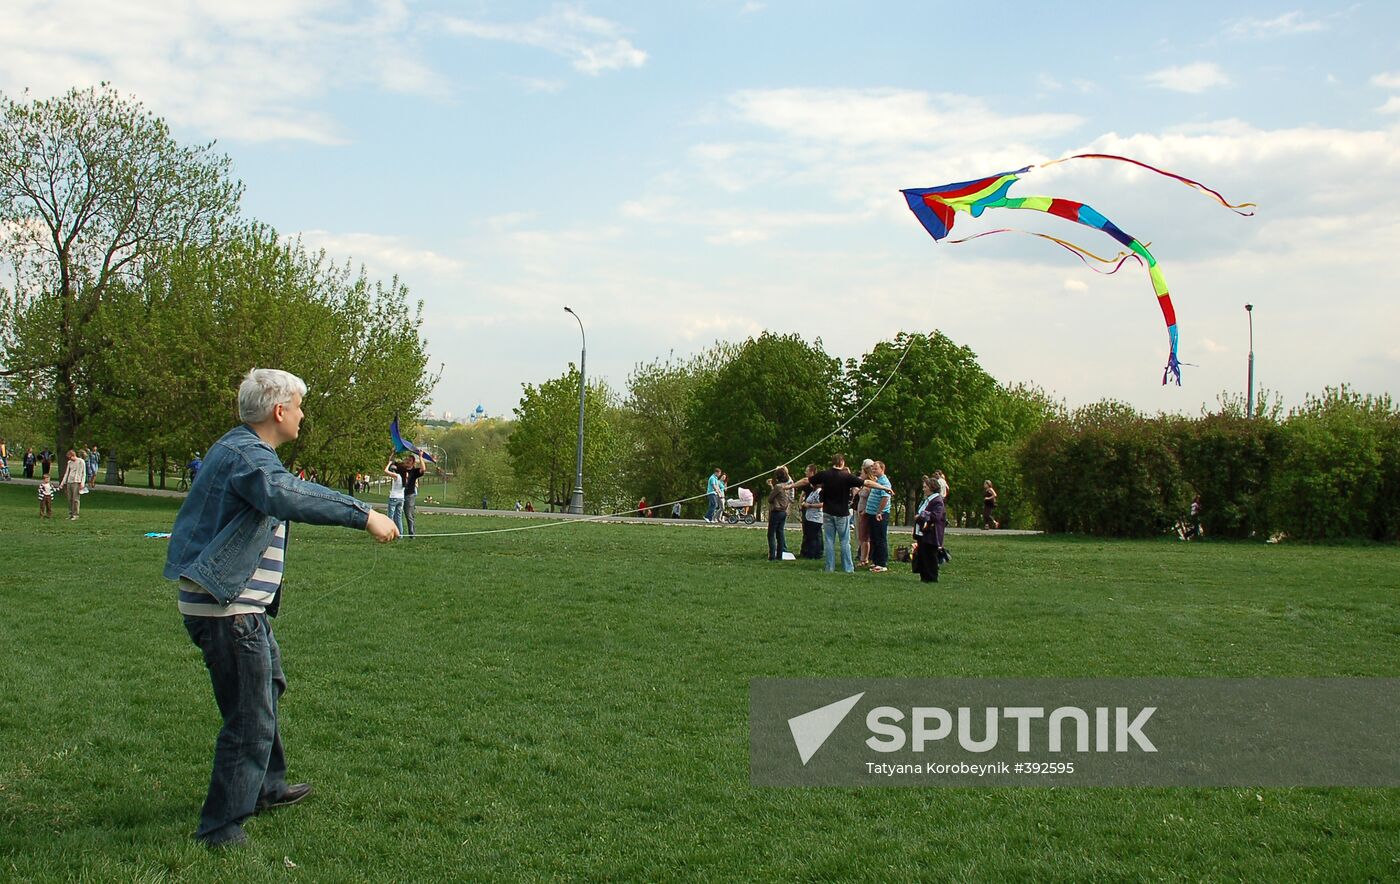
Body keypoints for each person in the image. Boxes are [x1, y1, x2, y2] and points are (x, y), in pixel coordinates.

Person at [165, 368, 398, 849]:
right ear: (278, 411)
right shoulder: (249, 457)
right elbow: (285, 494)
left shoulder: (240, 450)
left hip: (236, 608)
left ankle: (268, 786)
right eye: (298, 406)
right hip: (228, 611)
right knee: (249, 721)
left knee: (266, 690)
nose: (302, 414)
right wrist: (365, 514)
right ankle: (221, 827)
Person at [810, 454, 884, 574]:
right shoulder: (846, 476)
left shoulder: (825, 474)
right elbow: (867, 483)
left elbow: (807, 480)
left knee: (829, 540)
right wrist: (884, 488)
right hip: (842, 513)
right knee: (844, 541)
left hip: (828, 512)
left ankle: (829, 568)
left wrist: (790, 486)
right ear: (842, 462)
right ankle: (848, 568)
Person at [911, 475, 945, 583]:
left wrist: (920, 516)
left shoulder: (937, 500)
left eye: (925, 487)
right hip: (922, 532)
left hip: (931, 533)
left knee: (930, 555)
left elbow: (936, 516)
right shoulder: (927, 500)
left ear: (932, 487)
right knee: (923, 554)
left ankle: (932, 577)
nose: (923, 489)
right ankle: (924, 576)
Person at [864, 461, 893, 572]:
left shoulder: (885, 482)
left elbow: (885, 498)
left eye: (875, 468)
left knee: (880, 538)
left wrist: (879, 512)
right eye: (872, 468)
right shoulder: (877, 481)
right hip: (872, 514)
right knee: (874, 538)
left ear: (882, 469)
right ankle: (875, 561)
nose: (873, 470)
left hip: (880, 515)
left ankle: (882, 563)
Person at [389, 453, 426, 536]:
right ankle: (398, 533)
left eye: (410, 460)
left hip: (409, 495)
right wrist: (394, 453)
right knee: (397, 515)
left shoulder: (415, 471)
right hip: (400, 495)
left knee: (409, 515)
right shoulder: (401, 468)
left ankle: (411, 534)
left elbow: (423, 469)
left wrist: (420, 457)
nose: (407, 461)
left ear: (413, 463)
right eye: (406, 459)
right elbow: (391, 462)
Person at [766, 467, 796, 560]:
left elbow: (770, 498)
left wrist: (771, 487)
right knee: (780, 532)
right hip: (783, 512)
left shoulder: (778, 486)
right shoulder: (787, 486)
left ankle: (772, 556)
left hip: (776, 512)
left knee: (771, 534)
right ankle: (780, 555)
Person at [798, 465, 824, 559]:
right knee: (808, 533)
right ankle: (806, 551)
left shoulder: (819, 491)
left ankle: (816, 553)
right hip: (809, 513)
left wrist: (809, 505)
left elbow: (822, 503)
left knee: (816, 535)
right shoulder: (810, 489)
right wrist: (801, 504)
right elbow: (803, 494)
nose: (805, 472)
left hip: (816, 515)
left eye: (807, 471)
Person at [855, 459, 875, 567]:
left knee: (864, 537)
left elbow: (871, 499)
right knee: (861, 536)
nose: (860, 474)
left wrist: (865, 511)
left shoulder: (869, 486)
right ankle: (862, 557)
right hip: (860, 511)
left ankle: (864, 559)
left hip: (865, 513)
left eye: (862, 472)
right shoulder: (863, 485)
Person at [58, 449, 86, 519]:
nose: (70, 459)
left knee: (75, 499)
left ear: (73, 455)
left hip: (77, 482)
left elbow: (83, 473)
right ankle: (70, 513)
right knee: (69, 498)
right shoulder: (69, 462)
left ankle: (76, 514)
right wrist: (62, 483)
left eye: (70, 457)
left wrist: (82, 483)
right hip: (69, 481)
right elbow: (67, 473)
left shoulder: (81, 461)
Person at [383, 456, 406, 533]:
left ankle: (390, 533)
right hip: (401, 498)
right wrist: (393, 454)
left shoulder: (397, 476)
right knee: (399, 517)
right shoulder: (405, 476)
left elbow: (385, 470)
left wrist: (389, 463)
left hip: (394, 498)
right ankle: (400, 534)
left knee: (390, 516)